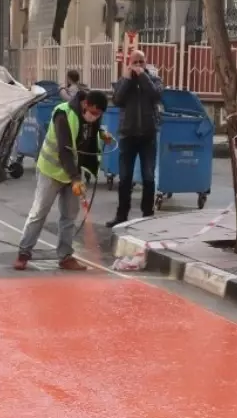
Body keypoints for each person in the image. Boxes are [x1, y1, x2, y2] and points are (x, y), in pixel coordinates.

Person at [14, 90, 109, 271]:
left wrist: (101, 135)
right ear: (86, 104)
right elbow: (64, 149)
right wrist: (75, 179)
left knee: (69, 217)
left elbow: (87, 133)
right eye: (94, 113)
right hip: (51, 171)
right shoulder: (62, 114)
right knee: (39, 212)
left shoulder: (91, 118)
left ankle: (65, 256)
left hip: (72, 173)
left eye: (99, 115)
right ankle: (23, 253)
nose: (95, 117)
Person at [107, 49, 162, 227]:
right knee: (125, 177)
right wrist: (129, 80)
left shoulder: (153, 79)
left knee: (148, 176)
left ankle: (147, 215)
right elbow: (117, 100)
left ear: (145, 63)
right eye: (135, 62)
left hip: (148, 135)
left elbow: (156, 95)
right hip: (128, 134)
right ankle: (121, 215)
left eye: (141, 62)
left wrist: (143, 77)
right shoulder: (124, 81)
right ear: (129, 63)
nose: (138, 65)